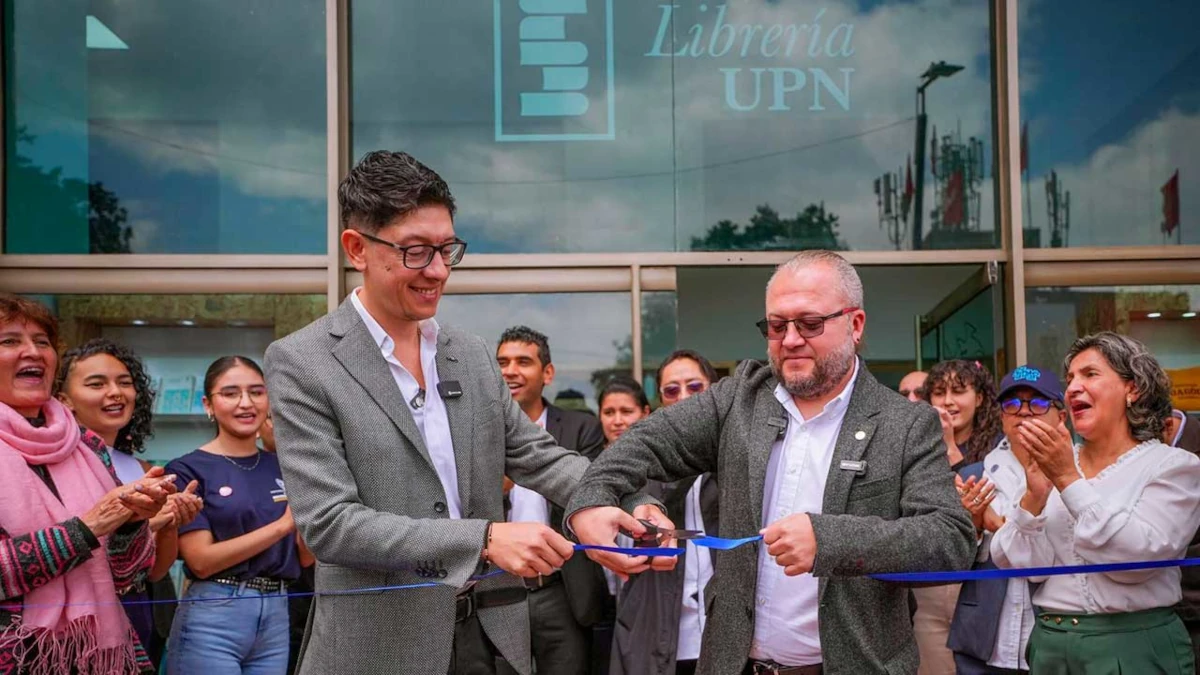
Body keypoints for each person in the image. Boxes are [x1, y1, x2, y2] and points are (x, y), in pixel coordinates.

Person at [263, 150, 668, 675]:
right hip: (378, 649)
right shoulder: (302, 362)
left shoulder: (470, 353)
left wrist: (625, 501)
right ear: (356, 248)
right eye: (415, 252)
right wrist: (485, 539)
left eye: (447, 249)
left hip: (491, 636)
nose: (436, 271)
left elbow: (538, 455)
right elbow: (330, 524)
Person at [568, 250, 976, 675]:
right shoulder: (740, 399)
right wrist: (595, 501)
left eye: (810, 323)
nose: (791, 339)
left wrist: (831, 539)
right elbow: (643, 443)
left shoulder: (905, 424)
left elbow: (949, 542)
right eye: (777, 326)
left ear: (855, 324)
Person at [991, 332, 1200, 674]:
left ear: (1133, 390)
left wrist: (1068, 481)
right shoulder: (1054, 463)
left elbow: (1137, 560)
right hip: (1050, 645)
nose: (1072, 387)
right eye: (1070, 378)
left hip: (1133, 647)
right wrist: (1034, 497)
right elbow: (1020, 566)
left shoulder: (1174, 466)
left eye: (1090, 374)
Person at [0, 294, 172, 674]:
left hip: (99, 658)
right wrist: (89, 527)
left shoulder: (86, 443)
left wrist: (131, 523)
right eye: (9, 341)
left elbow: (126, 574)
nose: (32, 351)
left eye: (42, 342)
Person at [55, 338, 204, 668]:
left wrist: (169, 523)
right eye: (97, 384)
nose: (116, 392)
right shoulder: (55, 464)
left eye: (125, 382)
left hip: (136, 612)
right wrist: (142, 522)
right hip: (79, 622)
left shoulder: (138, 468)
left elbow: (155, 572)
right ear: (64, 400)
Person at [165, 356, 314, 674]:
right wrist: (282, 526)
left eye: (257, 392)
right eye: (231, 393)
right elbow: (201, 560)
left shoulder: (282, 467)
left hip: (276, 612)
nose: (245, 403)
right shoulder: (187, 469)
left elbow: (302, 558)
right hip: (215, 611)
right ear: (208, 404)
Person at [495, 325, 609, 674]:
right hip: (499, 588)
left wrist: (535, 465)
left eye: (523, 361)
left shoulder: (580, 428)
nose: (510, 371)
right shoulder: (477, 434)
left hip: (562, 588)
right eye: (502, 362)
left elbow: (587, 490)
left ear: (547, 373)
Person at [948, 364, 1068, 675]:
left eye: (1039, 403)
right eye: (1012, 404)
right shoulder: (973, 475)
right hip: (983, 639)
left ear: (1062, 417)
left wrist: (998, 525)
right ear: (1002, 416)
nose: (1024, 412)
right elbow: (951, 563)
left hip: (1055, 637)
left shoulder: (1079, 473)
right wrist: (973, 526)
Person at [612, 350, 720, 675]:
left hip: (728, 639)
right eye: (671, 391)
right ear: (660, 402)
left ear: (716, 392)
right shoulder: (638, 464)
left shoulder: (738, 457)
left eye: (695, 387)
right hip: (657, 635)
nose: (683, 397)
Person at [914, 359, 1002, 675]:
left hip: (985, 580)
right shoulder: (918, 446)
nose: (948, 401)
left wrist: (952, 450)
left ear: (979, 398)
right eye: (939, 392)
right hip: (934, 584)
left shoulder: (1001, 448)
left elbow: (977, 502)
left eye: (959, 391)